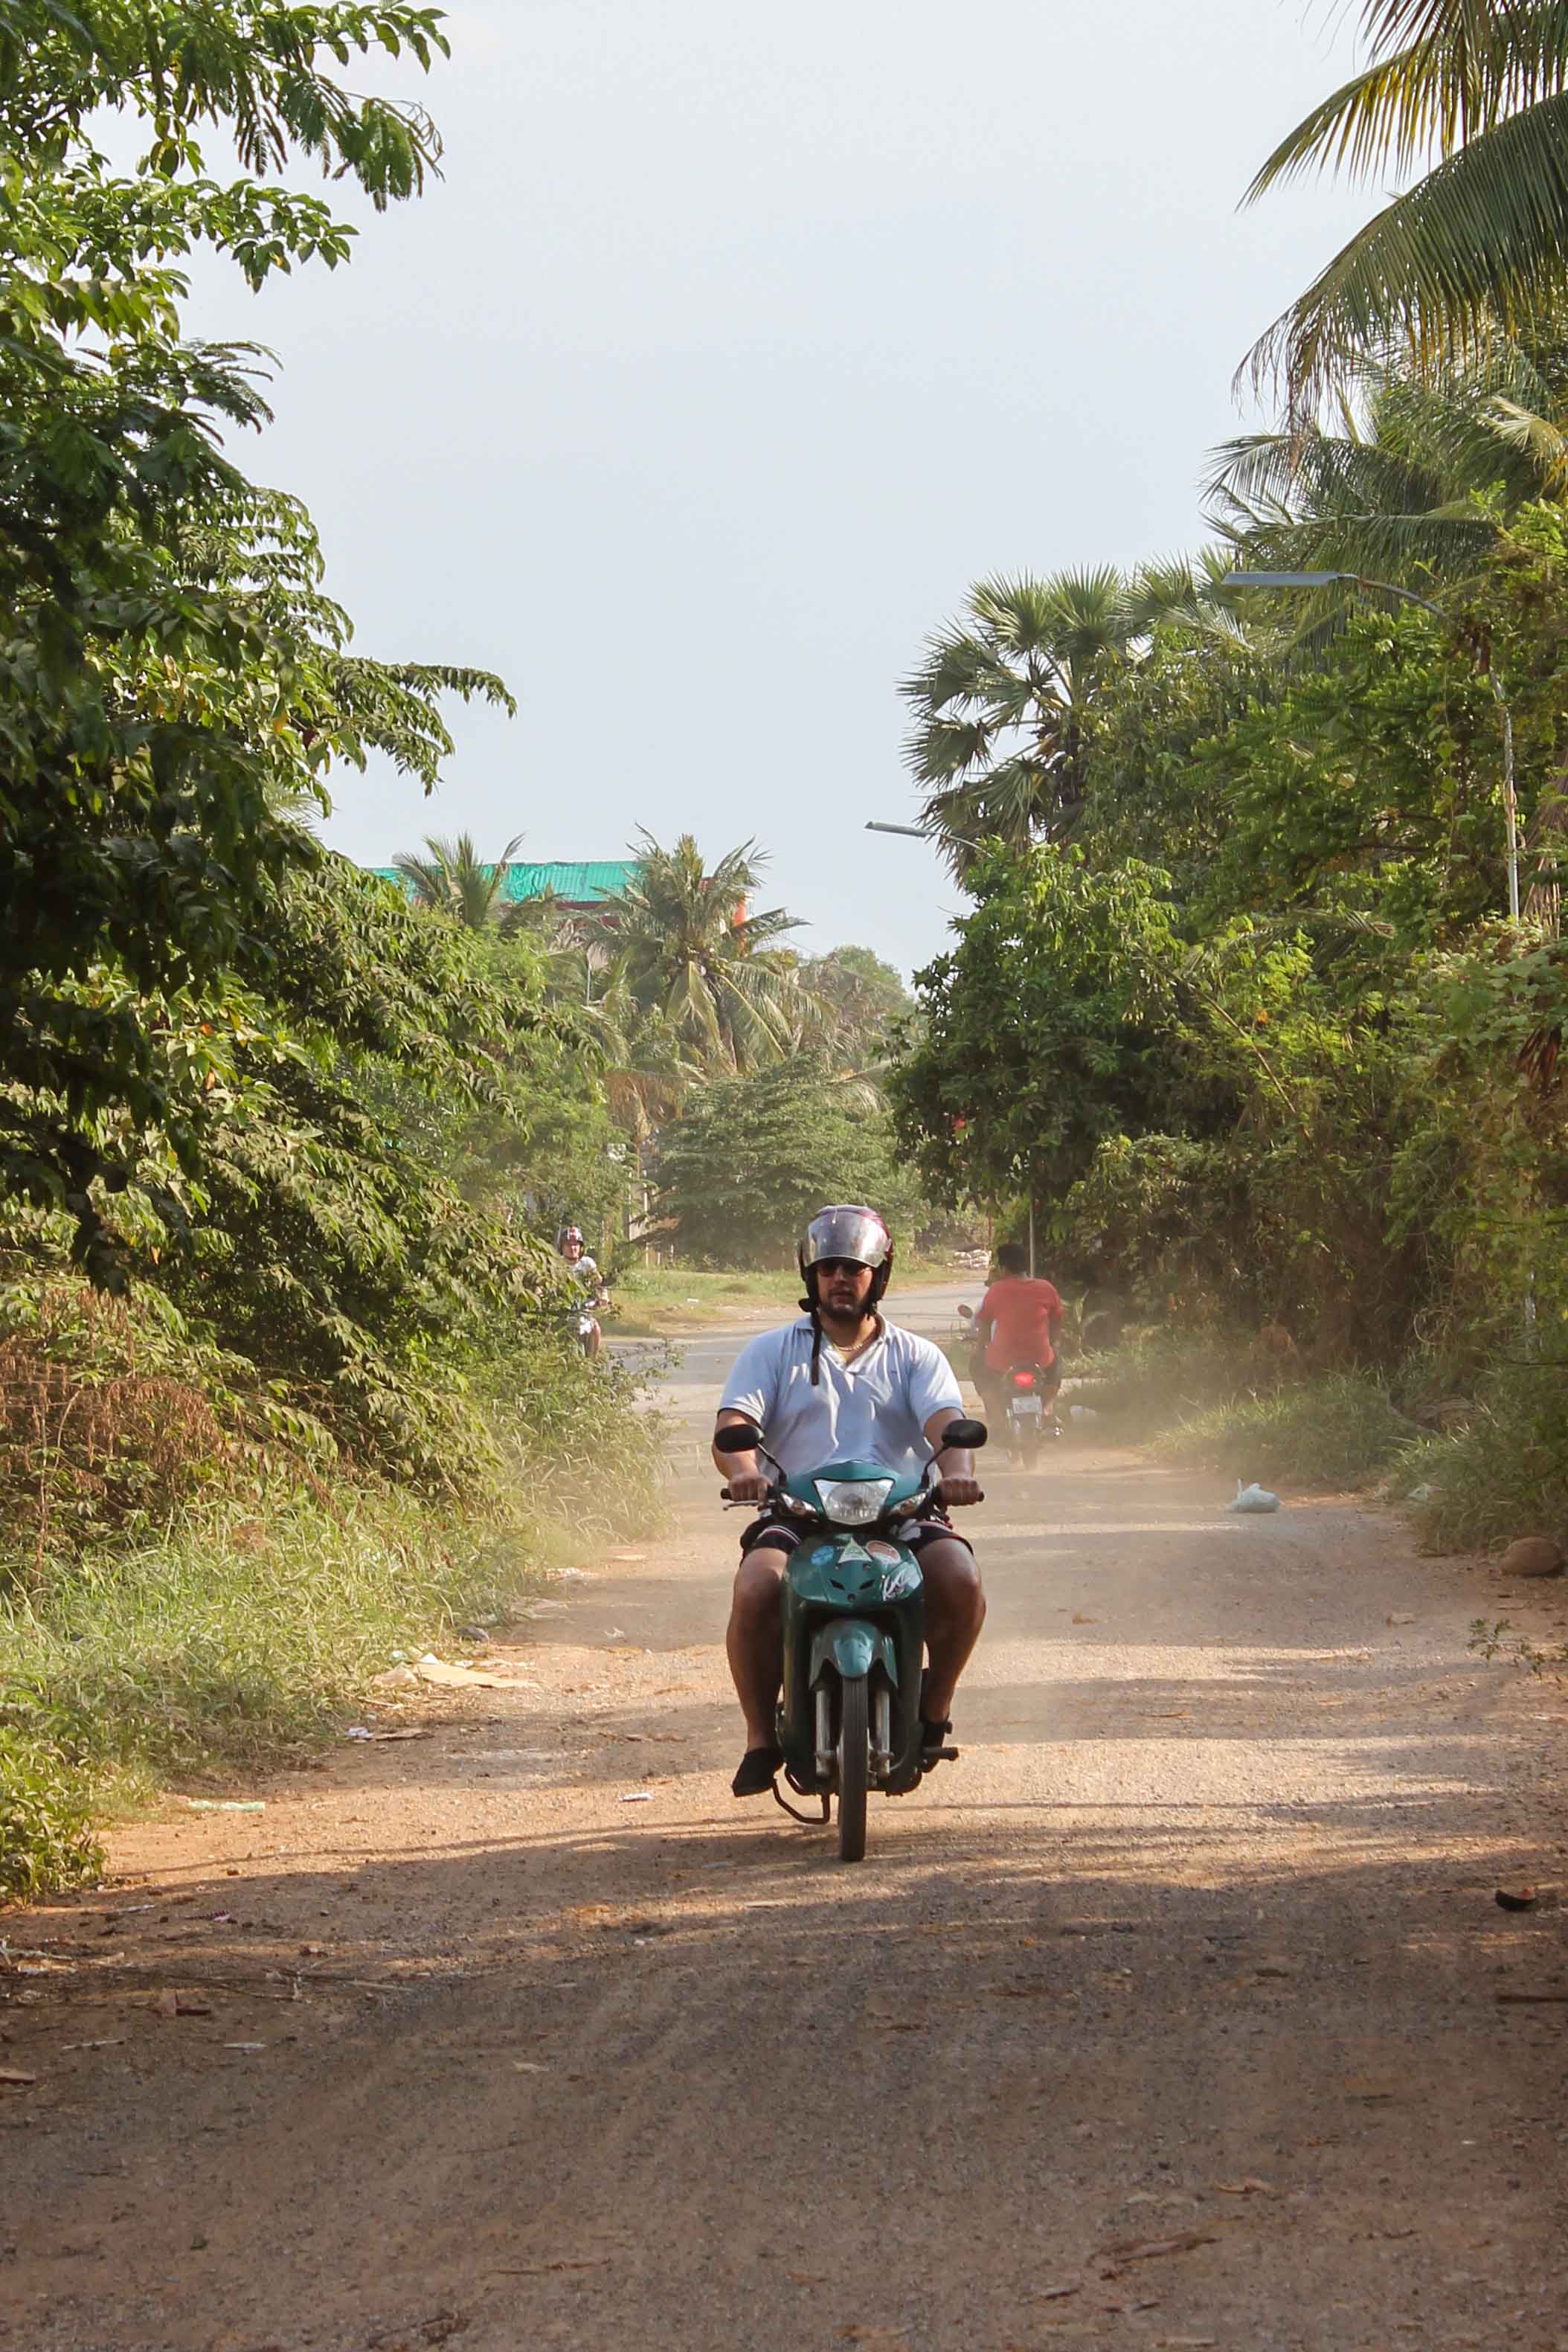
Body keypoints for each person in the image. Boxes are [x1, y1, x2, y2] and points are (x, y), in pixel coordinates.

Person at [713, 1204, 986, 1797]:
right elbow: (734, 1425)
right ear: (811, 1275)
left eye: (854, 1268)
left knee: (960, 1578)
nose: (840, 1279)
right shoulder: (770, 1352)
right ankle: (760, 1739)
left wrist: (957, 1474)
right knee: (756, 1587)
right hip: (797, 1513)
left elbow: (946, 1425)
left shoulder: (916, 1355)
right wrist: (745, 1473)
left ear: (877, 1276)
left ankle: (934, 1708)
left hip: (902, 1512)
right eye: (829, 1268)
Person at [974, 1242, 1064, 1433]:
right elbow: (1057, 1322)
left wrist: (981, 1348)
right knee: (1057, 1362)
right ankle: (1047, 1409)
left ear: (1003, 1267)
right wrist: (1054, 1345)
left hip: (1002, 1361)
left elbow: (984, 1323)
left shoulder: (997, 1290)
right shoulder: (1046, 1288)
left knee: (976, 1365)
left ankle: (997, 1416)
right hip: (1041, 1359)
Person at [556, 1223, 608, 1360]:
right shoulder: (556, 1264)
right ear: (562, 1247)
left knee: (595, 1329)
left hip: (583, 1310)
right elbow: (543, 1284)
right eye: (568, 1244)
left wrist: (603, 1298)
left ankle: (591, 1362)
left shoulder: (587, 1264)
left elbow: (599, 1284)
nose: (573, 1248)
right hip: (560, 1312)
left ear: (581, 1247)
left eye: (576, 1244)